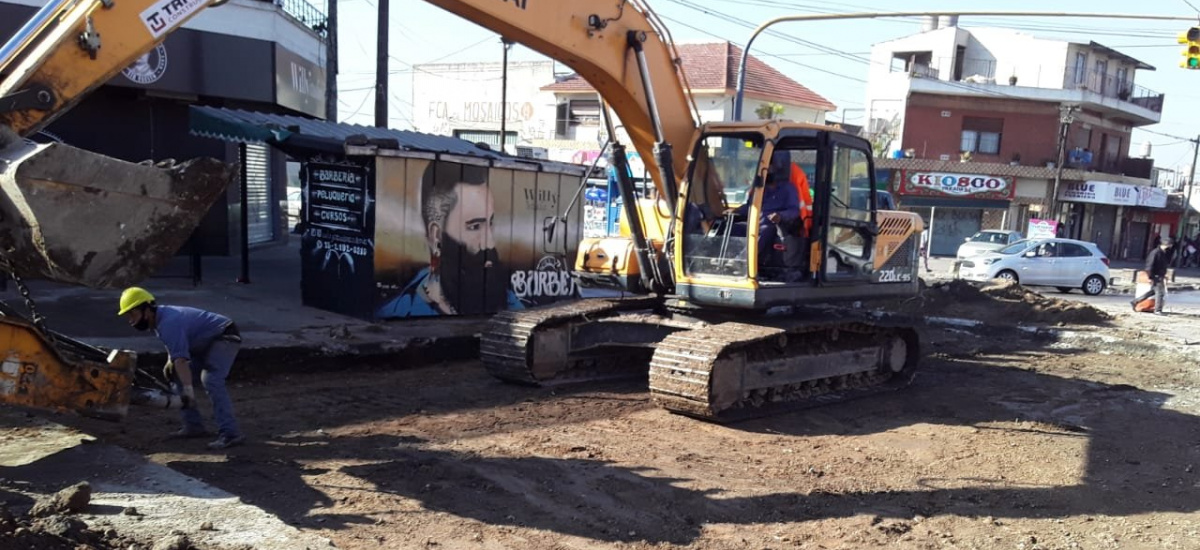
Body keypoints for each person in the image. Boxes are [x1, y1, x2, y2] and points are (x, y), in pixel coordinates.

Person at [376, 160, 523, 317]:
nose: (489, 243)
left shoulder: (510, 304)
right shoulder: (400, 314)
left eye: (490, 223)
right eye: (474, 227)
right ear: (436, 236)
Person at [118, 287, 245, 449]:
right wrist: (171, 364)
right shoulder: (160, 320)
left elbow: (181, 360)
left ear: (147, 310)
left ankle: (231, 434)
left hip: (225, 336)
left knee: (212, 380)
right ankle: (194, 426)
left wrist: (188, 390)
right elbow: (177, 351)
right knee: (176, 375)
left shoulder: (168, 322)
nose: (130, 320)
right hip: (205, 342)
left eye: (132, 314)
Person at [728, 152, 800, 274]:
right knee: (732, 228)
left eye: (770, 167)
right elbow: (751, 207)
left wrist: (780, 216)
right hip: (755, 224)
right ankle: (722, 259)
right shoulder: (760, 189)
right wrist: (736, 210)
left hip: (775, 225)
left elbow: (794, 210)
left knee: (766, 229)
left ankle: (741, 261)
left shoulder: (788, 189)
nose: (767, 170)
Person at [1134, 236, 1173, 315]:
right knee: (1160, 293)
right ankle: (1157, 310)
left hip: (1159, 275)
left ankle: (1135, 301)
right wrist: (1150, 277)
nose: (1171, 246)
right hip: (1156, 276)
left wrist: (1164, 274)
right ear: (1167, 244)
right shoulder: (1155, 253)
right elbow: (1149, 266)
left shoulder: (1163, 252)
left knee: (1153, 292)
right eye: (1170, 244)